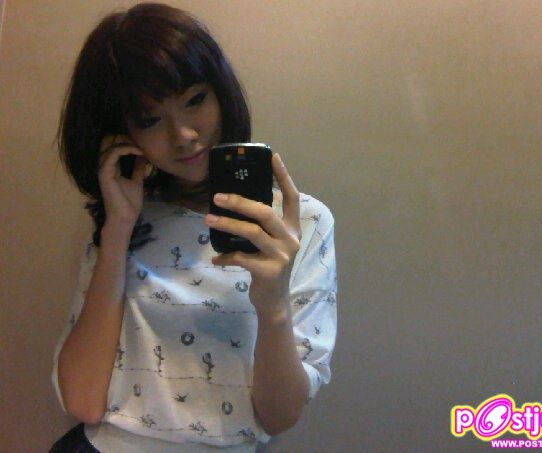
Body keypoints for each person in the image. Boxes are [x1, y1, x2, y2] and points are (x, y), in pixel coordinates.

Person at [49, 2, 337, 452]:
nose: (183, 134)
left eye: (195, 99)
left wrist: (274, 307)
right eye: (150, 119)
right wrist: (118, 230)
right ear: (122, 133)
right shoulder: (125, 219)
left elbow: (279, 417)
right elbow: (83, 401)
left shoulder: (302, 225)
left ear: (220, 93)